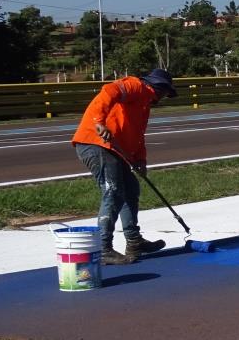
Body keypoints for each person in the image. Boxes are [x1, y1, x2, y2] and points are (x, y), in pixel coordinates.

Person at [71, 69, 178, 264]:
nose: (164, 98)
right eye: (165, 93)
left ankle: (134, 241)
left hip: (114, 150)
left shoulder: (144, 106)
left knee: (130, 189)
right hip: (95, 143)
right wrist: (99, 122)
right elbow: (108, 91)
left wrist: (140, 160)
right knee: (113, 191)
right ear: (158, 87)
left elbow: (137, 136)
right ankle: (104, 248)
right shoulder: (136, 86)